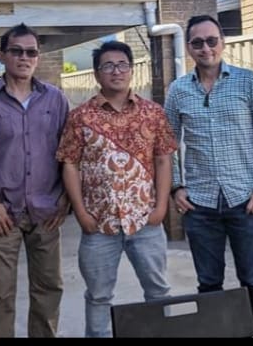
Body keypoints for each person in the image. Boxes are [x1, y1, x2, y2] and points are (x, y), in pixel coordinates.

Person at [164, 14, 253, 338]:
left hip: (245, 201)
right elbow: (167, 145)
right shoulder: (178, 90)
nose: (206, 48)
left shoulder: (248, 82)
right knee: (209, 284)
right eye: (197, 42)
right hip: (200, 205)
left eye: (211, 40)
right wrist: (176, 187)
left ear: (223, 42)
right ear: (189, 47)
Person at [57, 41, 177, 338]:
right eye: (108, 65)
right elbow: (70, 164)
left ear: (131, 70)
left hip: (145, 221)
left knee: (158, 291)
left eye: (122, 64)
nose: (116, 71)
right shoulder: (80, 117)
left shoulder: (153, 113)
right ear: (97, 73)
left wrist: (161, 207)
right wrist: (81, 213)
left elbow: (163, 159)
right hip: (99, 224)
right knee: (98, 296)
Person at [0, 23, 70, 337]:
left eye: (31, 52)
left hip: (47, 212)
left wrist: (65, 199)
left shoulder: (55, 100)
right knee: (0, 294)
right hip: (2, 214)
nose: (24, 58)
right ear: (1, 56)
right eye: (16, 51)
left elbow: (70, 154)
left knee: (49, 289)